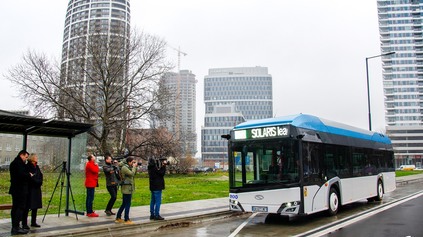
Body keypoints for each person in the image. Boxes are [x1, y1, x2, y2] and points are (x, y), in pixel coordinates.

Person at [9, 150, 31, 235]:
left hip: (15, 189)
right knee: (19, 207)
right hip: (20, 189)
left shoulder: (14, 163)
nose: (26, 159)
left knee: (15, 207)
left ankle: (15, 227)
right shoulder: (18, 164)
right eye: (26, 157)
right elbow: (22, 175)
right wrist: (29, 175)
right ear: (21, 155)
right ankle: (16, 227)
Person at [22, 153, 43, 229]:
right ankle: (24, 223)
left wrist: (39, 181)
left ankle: (33, 222)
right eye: (36, 157)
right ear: (32, 158)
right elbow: (29, 177)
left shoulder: (37, 166)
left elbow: (40, 175)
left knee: (35, 207)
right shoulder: (27, 167)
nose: (37, 158)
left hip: (37, 189)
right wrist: (35, 180)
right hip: (30, 189)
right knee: (27, 207)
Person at [115, 157, 137, 224]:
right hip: (126, 188)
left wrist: (134, 168)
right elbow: (131, 174)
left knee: (124, 203)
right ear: (129, 162)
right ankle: (126, 219)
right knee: (127, 204)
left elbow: (133, 174)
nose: (133, 163)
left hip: (128, 188)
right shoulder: (124, 168)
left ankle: (118, 217)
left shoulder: (127, 167)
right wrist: (134, 167)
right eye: (132, 162)